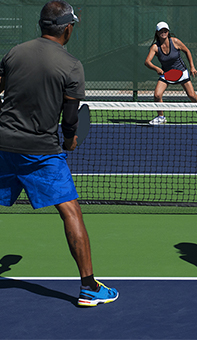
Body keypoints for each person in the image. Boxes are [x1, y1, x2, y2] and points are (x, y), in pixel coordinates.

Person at [0, 0, 118, 306]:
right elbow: (71, 118)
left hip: (3, 145)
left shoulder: (14, 53)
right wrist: (69, 141)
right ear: (67, 28)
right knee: (70, 211)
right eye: (73, 25)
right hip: (41, 152)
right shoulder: (71, 66)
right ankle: (89, 287)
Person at [144, 21, 197, 125]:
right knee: (157, 95)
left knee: (191, 95)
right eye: (161, 31)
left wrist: (192, 67)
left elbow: (187, 51)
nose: (163, 32)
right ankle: (161, 117)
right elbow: (147, 62)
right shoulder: (155, 47)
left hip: (181, 72)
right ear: (157, 33)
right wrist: (156, 68)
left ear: (168, 31)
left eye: (165, 30)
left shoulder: (175, 41)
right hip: (166, 74)